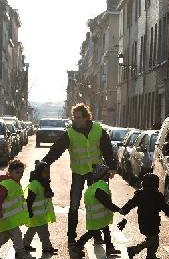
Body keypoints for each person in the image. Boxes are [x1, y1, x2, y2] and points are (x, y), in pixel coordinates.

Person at [41, 103, 116, 245]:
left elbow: (107, 150)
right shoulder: (70, 133)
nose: (75, 120)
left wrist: (111, 167)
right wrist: (45, 163)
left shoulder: (98, 130)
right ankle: (71, 237)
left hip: (96, 174)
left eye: (79, 117)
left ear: (87, 117)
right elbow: (56, 150)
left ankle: (97, 235)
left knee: (98, 204)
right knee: (74, 205)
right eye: (74, 117)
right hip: (78, 173)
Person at [120, 173, 169, 259]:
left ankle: (151, 257)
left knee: (154, 240)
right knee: (152, 240)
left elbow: (131, 203)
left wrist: (124, 209)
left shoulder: (140, 194)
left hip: (143, 220)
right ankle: (134, 250)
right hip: (152, 221)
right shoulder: (157, 195)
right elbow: (165, 207)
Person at [0, 160, 34, 259]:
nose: (20, 175)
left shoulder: (14, 183)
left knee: (2, 237)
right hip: (6, 217)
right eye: (17, 172)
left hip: (8, 218)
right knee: (17, 235)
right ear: (10, 171)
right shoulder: (6, 184)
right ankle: (22, 255)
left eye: (22, 173)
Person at [71, 164, 120, 256]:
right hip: (98, 216)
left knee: (105, 230)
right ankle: (78, 246)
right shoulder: (100, 187)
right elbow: (106, 202)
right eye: (107, 174)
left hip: (96, 215)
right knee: (92, 232)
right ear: (103, 175)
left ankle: (109, 248)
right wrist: (117, 209)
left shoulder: (94, 187)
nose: (108, 176)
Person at [23, 160, 58, 255]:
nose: (48, 175)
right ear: (39, 173)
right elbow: (29, 200)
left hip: (40, 214)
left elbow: (46, 195)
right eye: (45, 173)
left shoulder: (44, 183)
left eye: (48, 172)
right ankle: (47, 247)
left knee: (32, 230)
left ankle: (25, 245)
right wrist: (29, 211)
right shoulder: (34, 184)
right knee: (44, 233)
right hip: (35, 214)